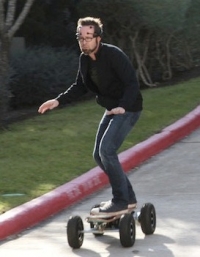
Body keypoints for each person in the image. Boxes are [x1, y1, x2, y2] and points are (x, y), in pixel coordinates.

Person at [38, 17, 143, 217]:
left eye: (88, 37)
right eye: (80, 37)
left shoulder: (113, 55)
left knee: (107, 150)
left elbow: (131, 84)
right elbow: (81, 86)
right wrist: (58, 101)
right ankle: (128, 199)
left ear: (98, 38)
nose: (84, 41)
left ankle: (120, 200)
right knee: (98, 154)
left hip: (128, 108)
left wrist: (122, 106)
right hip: (112, 108)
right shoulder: (84, 59)